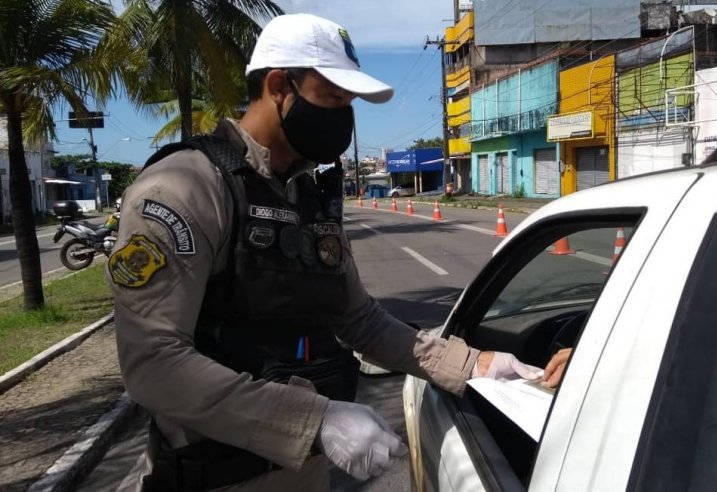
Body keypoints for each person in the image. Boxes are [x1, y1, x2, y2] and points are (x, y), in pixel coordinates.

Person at [107, 13, 540, 492]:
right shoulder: (184, 188)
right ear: (278, 86)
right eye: (332, 98)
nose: (343, 117)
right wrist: (314, 421)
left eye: (348, 104)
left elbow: (359, 320)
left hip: (302, 473)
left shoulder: (305, 195)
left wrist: (474, 365)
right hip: (209, 476)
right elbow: (154, 363)